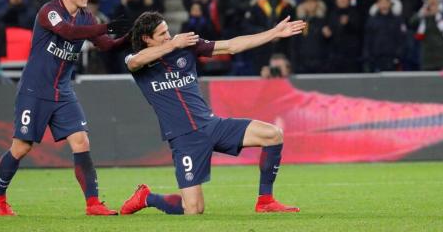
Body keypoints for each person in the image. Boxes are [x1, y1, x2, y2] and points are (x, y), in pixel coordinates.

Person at [118, 11, 305, 215]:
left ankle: (266, 201)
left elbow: (231, 46)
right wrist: (173, 44)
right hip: (185, 138)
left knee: (273, 135)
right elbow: (134, 62)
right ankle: (147, 197)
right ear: (146, 38)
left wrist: (273, 33)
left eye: (168, 31)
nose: (169, 36)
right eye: (162, 34)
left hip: (212, 126)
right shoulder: (137, 60)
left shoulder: (187, 46)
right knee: (193, 209)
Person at [0, 0, 130, 216]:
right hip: (34, 90)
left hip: (62, 92)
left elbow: (107, 46)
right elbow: (68, 32)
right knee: (21, 147)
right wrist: (106, 27)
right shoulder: (49, 11)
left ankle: (93, 203)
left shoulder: (87, 18)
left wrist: (132, 37)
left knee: (81, 141)